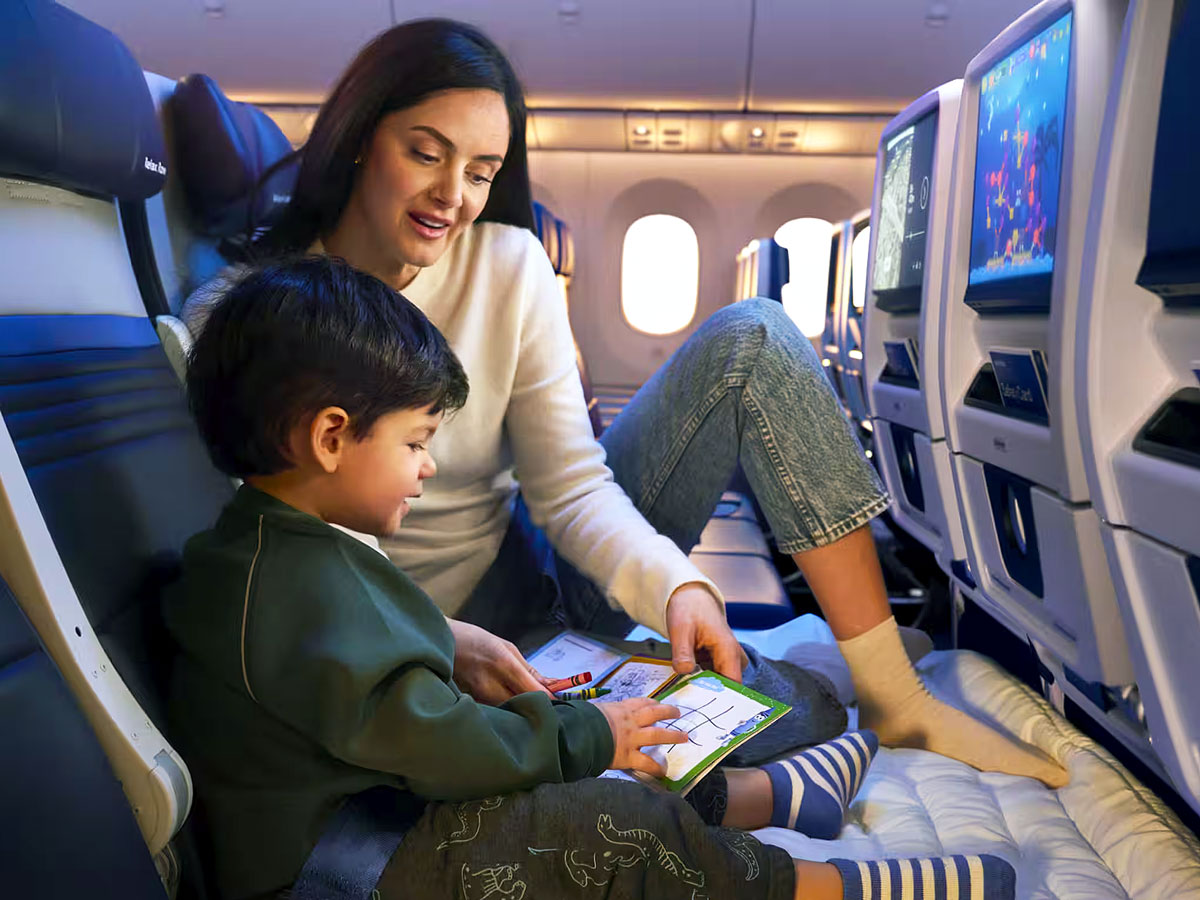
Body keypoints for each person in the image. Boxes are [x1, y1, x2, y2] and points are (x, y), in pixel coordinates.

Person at [181, 17, 1067, 789]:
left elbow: (569, 485)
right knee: (795, 715)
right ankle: (801, 667)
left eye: (483, 170)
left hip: (531, 580)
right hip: (402, 646)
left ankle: (894, 693)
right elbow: (285, 551)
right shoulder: (250, 315)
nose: (455, 196)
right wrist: (441, 640)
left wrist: (678, 585)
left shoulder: (509, 263)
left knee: (752, 338)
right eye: (426, 152)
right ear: (358, 137)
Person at [165, 256, 1017, 900]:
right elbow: (426, 744)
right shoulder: (305, 585)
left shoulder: (268, 549)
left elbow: (359, 683)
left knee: (590, 746)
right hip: (351, 864)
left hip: (371, 808)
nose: (427, 467)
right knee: (614, 817)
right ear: (328, 438)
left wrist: (483, 668)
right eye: (417, 441)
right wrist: (586, 737)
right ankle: (817, 887)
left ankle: (762, 796)